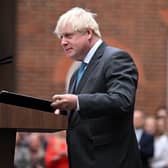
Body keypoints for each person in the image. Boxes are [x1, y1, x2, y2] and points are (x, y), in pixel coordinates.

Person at [51, 7, 142, 168]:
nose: (63, 42)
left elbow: (122, 100)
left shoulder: (116, 58)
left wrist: (78, 102)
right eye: (61, 37)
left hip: (110, 161)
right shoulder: (76, 73)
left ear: (88, 33)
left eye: (68, 36)